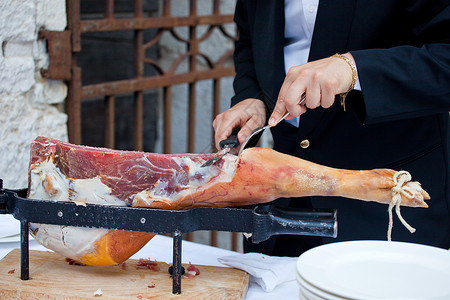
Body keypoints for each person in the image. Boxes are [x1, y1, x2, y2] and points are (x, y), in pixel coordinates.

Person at [213, 0, 450, 256]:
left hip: (383, 208)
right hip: (281, 207)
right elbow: (250, 39)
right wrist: (253, 98)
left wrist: (354, 69)